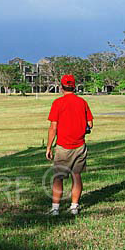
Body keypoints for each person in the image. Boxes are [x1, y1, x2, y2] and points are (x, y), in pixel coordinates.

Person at [46, 74, 93, 215]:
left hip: (63, 146)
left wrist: (49, 147)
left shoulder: (58, 103)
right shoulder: (82, 102)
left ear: (61, 87)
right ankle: (74, 206)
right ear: (74, 86)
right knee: (76, 176)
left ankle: (55, 209)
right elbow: (90, 124)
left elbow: (53, 127)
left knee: (58, 177)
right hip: (79, 145)